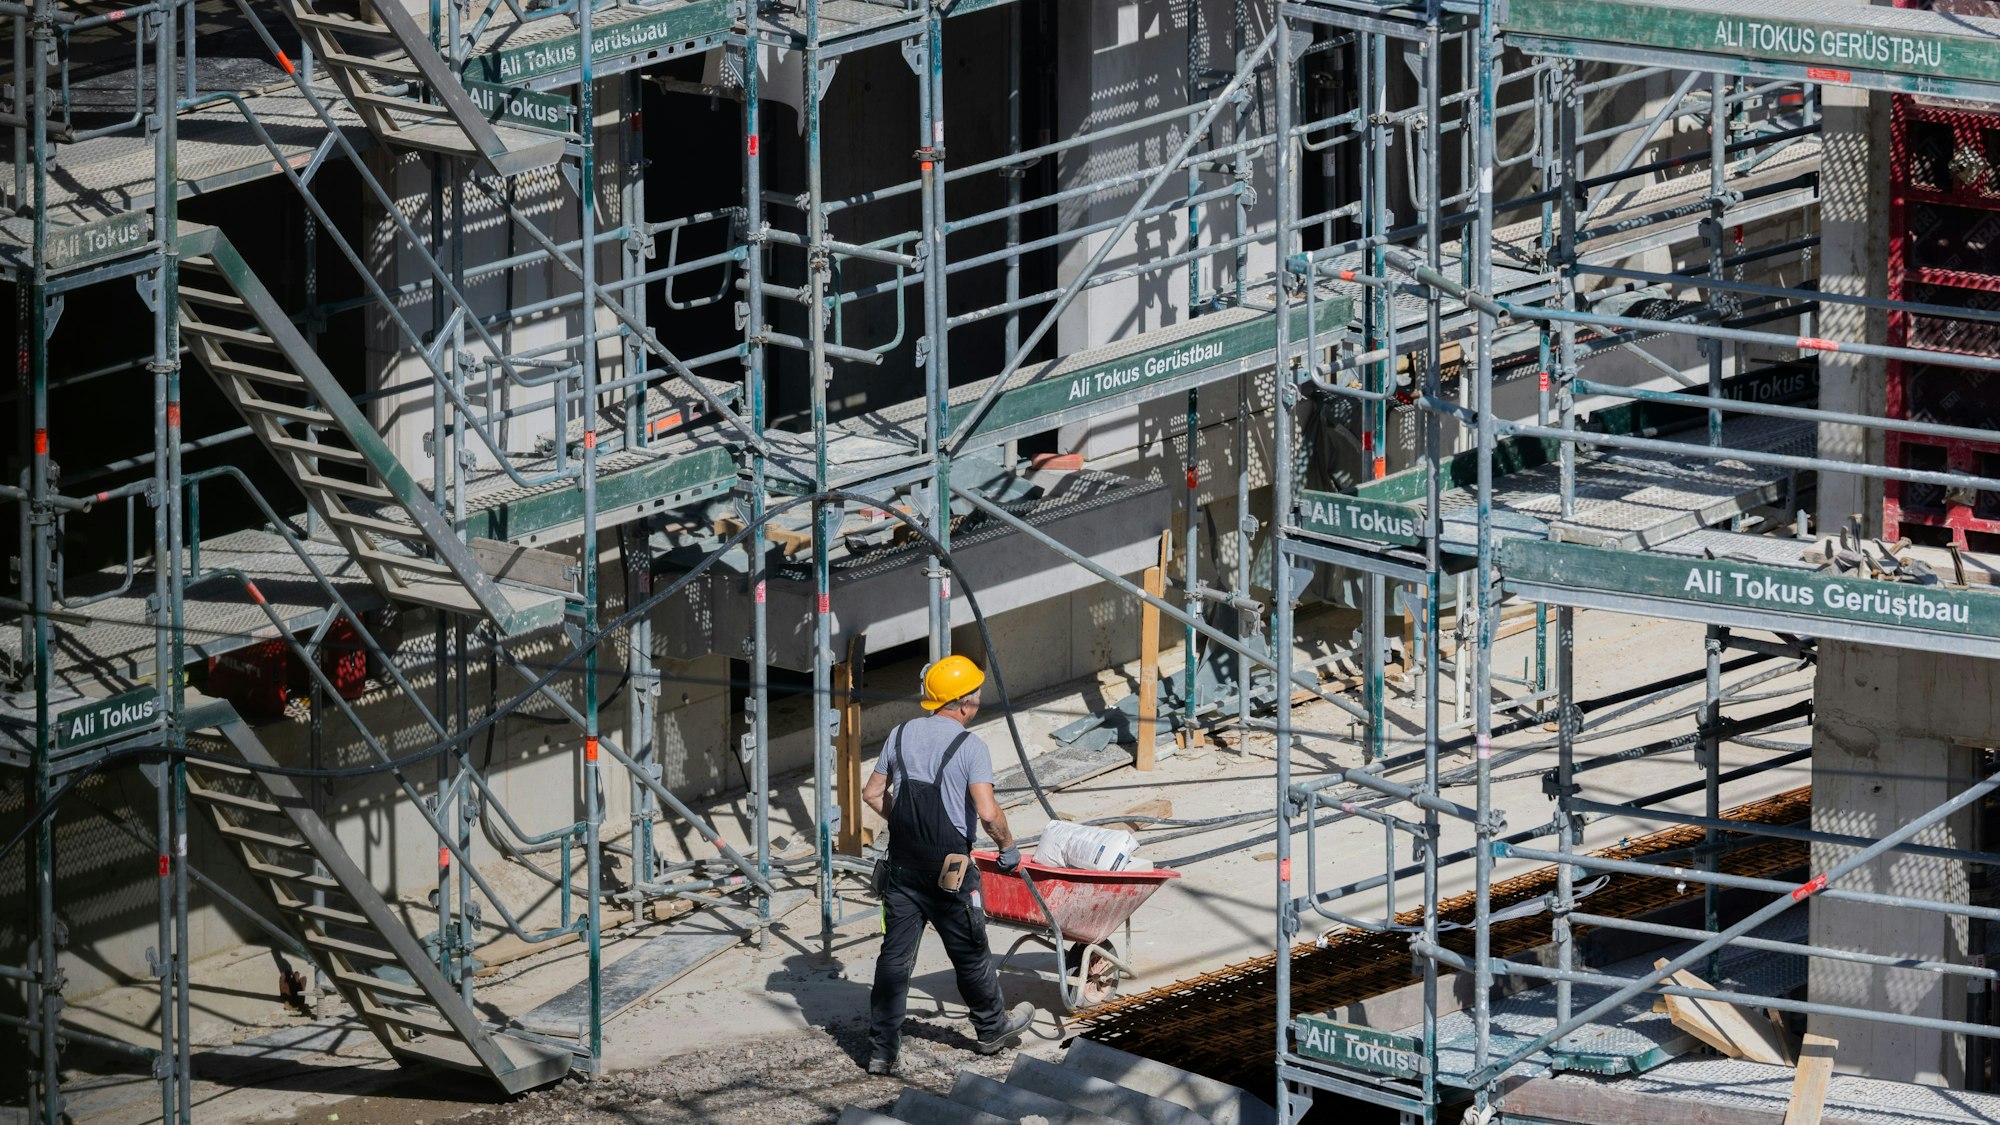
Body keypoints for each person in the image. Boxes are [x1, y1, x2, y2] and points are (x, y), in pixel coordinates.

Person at [860, 654, 1034, 1075]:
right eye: (975, 693)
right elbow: (988, 813)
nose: (978, 699)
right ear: (962, 702)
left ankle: (882, 1051)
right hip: (950, 873)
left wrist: (905, 823)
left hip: (901, 867)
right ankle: (993, 1030)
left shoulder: (900, 735)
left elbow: (872, 793)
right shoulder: (971, 747)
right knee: (970, 953)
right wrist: (1009, 847)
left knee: (894, 959)